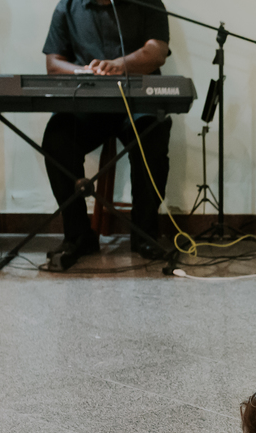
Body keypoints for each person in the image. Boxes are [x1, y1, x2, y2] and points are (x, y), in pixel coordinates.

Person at [41, 0, 171, 270]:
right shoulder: (67, 6)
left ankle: (144, 233)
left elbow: (157, 51)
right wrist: (87, 72)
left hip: (135, 106)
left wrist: (118, 65)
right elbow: (53, 64)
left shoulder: (147, 2)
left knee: (152, 134)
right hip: (87, 107)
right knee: (57, 139)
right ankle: (78, 235)